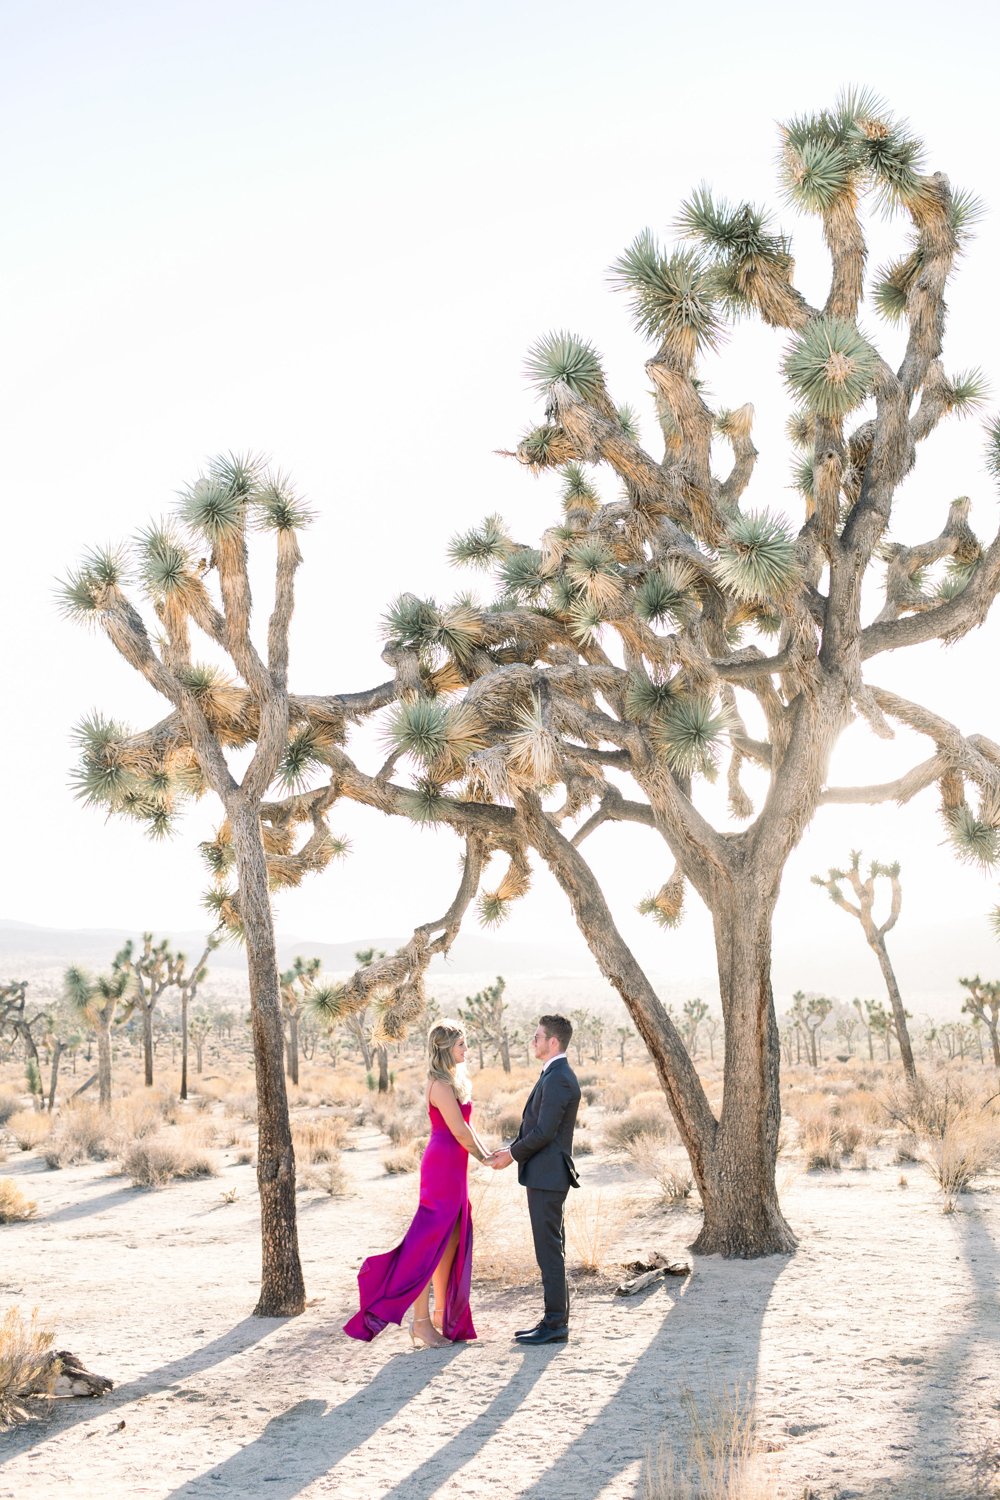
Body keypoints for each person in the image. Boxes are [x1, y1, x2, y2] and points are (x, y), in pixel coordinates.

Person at [344, 1020, 492, 1348]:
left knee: (450, 1240)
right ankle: (420, 1324)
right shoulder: (439, 1084)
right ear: (444, 1049)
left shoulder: (453, 1080)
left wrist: (487, 1153)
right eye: (460, 1045)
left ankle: (440, 1315)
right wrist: (486, 1159)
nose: (465, 1050)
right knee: (426, 1246)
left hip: (455, 1165)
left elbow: (468, 1128)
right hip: (442, 1167)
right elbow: (458, 1131)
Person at [490, 1014, 580, 1345]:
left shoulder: (559, 1078)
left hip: (547, 1176)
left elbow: (544, 1132)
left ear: (553, 1042)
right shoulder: (554, 1074)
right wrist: (511, 1148)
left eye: (538, 1037)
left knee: (549, 1251)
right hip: (545, 1174)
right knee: (551, 1249)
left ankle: (556, 1324)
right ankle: (554, 1320)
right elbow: (538, 1129)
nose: (533, 1041)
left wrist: (512, 1155)